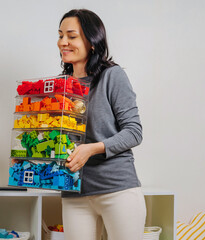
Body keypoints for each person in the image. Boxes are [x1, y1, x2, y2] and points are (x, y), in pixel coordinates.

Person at [57, 9, 146, 240]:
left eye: (71, 36)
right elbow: (56, 137)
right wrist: (29, 158)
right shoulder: (59, 86)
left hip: (117, 189)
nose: (63, 42)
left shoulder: (112, 76)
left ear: (92, 41)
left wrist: (92, 148)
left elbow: (134, 132)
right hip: (74, 191)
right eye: (60, 35)